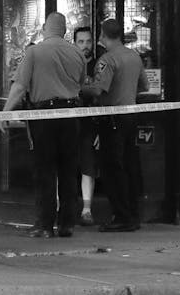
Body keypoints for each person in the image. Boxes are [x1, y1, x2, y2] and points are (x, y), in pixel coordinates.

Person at [3, 11, 86, 239]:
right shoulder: (77, 53)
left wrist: (4, 113)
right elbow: (81, 84)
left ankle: (45, 224)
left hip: (44, 117)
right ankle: (67, 223)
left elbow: (19, 87)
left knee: (45, 170)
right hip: (70, 115)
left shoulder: (34, 52)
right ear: (65, 30)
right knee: (69, 170)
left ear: (43, 28)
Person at [80, 18, 148, 232]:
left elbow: (99, 90)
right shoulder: (134, 57)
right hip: (131, 116)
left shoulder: (107, 60)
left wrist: (80, 87)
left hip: (112, 119)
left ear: (102, 36)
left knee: (112, 168)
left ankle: (121, 216)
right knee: (129, 166)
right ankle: (133, 214)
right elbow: (144, 86)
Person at [73, 25, 99, 225]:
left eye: (88, 41)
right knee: (64, 167)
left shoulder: (99, 65)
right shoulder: (69, 64)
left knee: (88, 167)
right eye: (81, 41)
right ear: (74, 43)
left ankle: (87, 210)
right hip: (70, 122)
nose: (85, 45)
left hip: (90, 124)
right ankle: (62, 208)